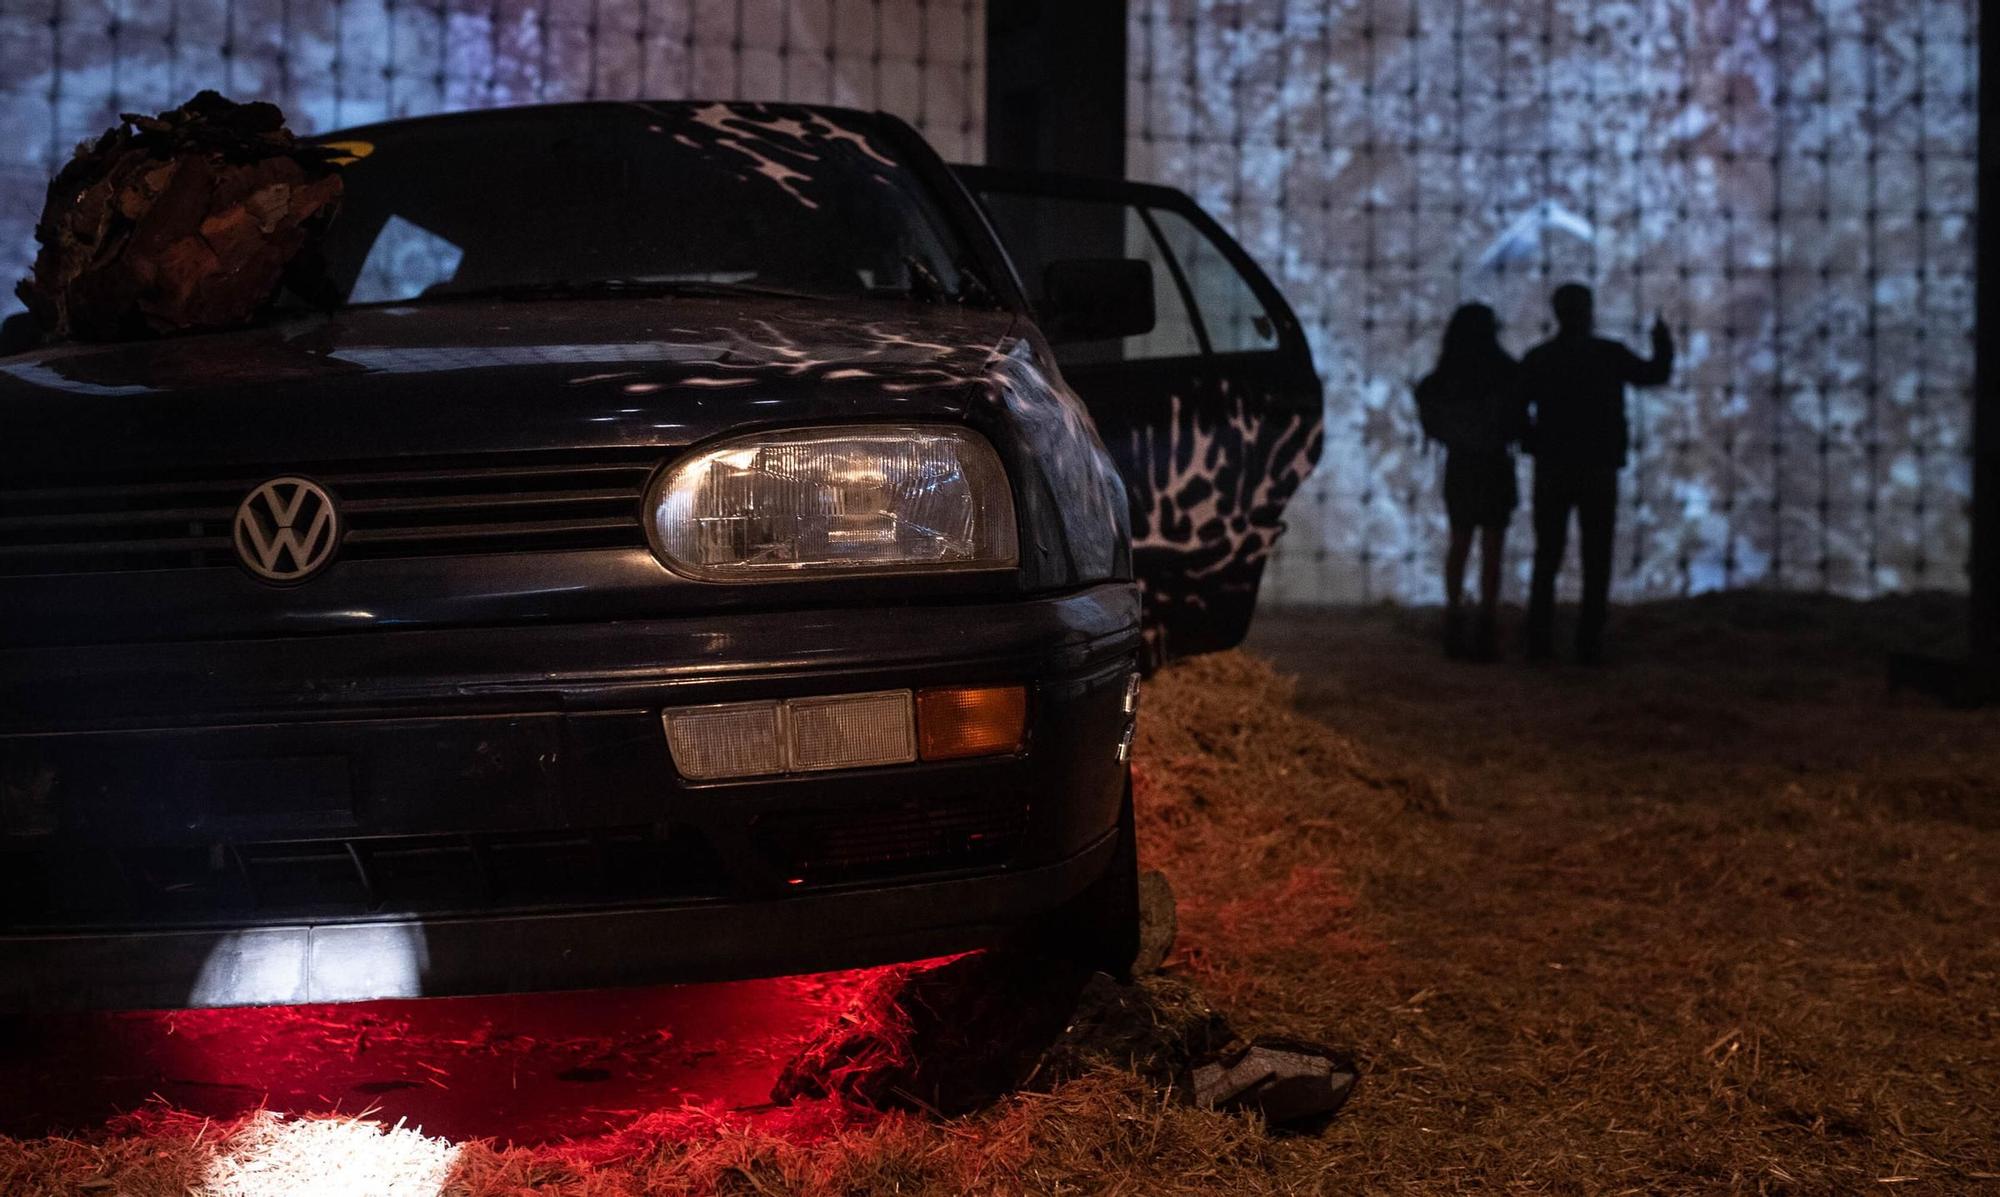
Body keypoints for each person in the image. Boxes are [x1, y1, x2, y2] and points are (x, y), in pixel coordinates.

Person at [1519, 283, 1674, 664]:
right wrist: (1664, 343)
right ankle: (1588, 645)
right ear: (1588, 311)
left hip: (1553, 466)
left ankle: (1539, 644)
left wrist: (1533, 441)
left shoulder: (1541, 357)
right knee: (1596, 557)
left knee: (1547, 555)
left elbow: (1514, 407)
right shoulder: (1608, 354)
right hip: (1598, 466)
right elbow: (1653, 374)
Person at [1416, 302, 1523, 660]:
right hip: (1495, 464)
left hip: (1461, 465)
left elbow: (1430, 411)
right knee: (1493, 546)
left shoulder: (1444, 377)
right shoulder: (1507, 372)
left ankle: (1455, 616)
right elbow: (1519, 418)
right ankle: (1486, 622)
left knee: (1459, 541)